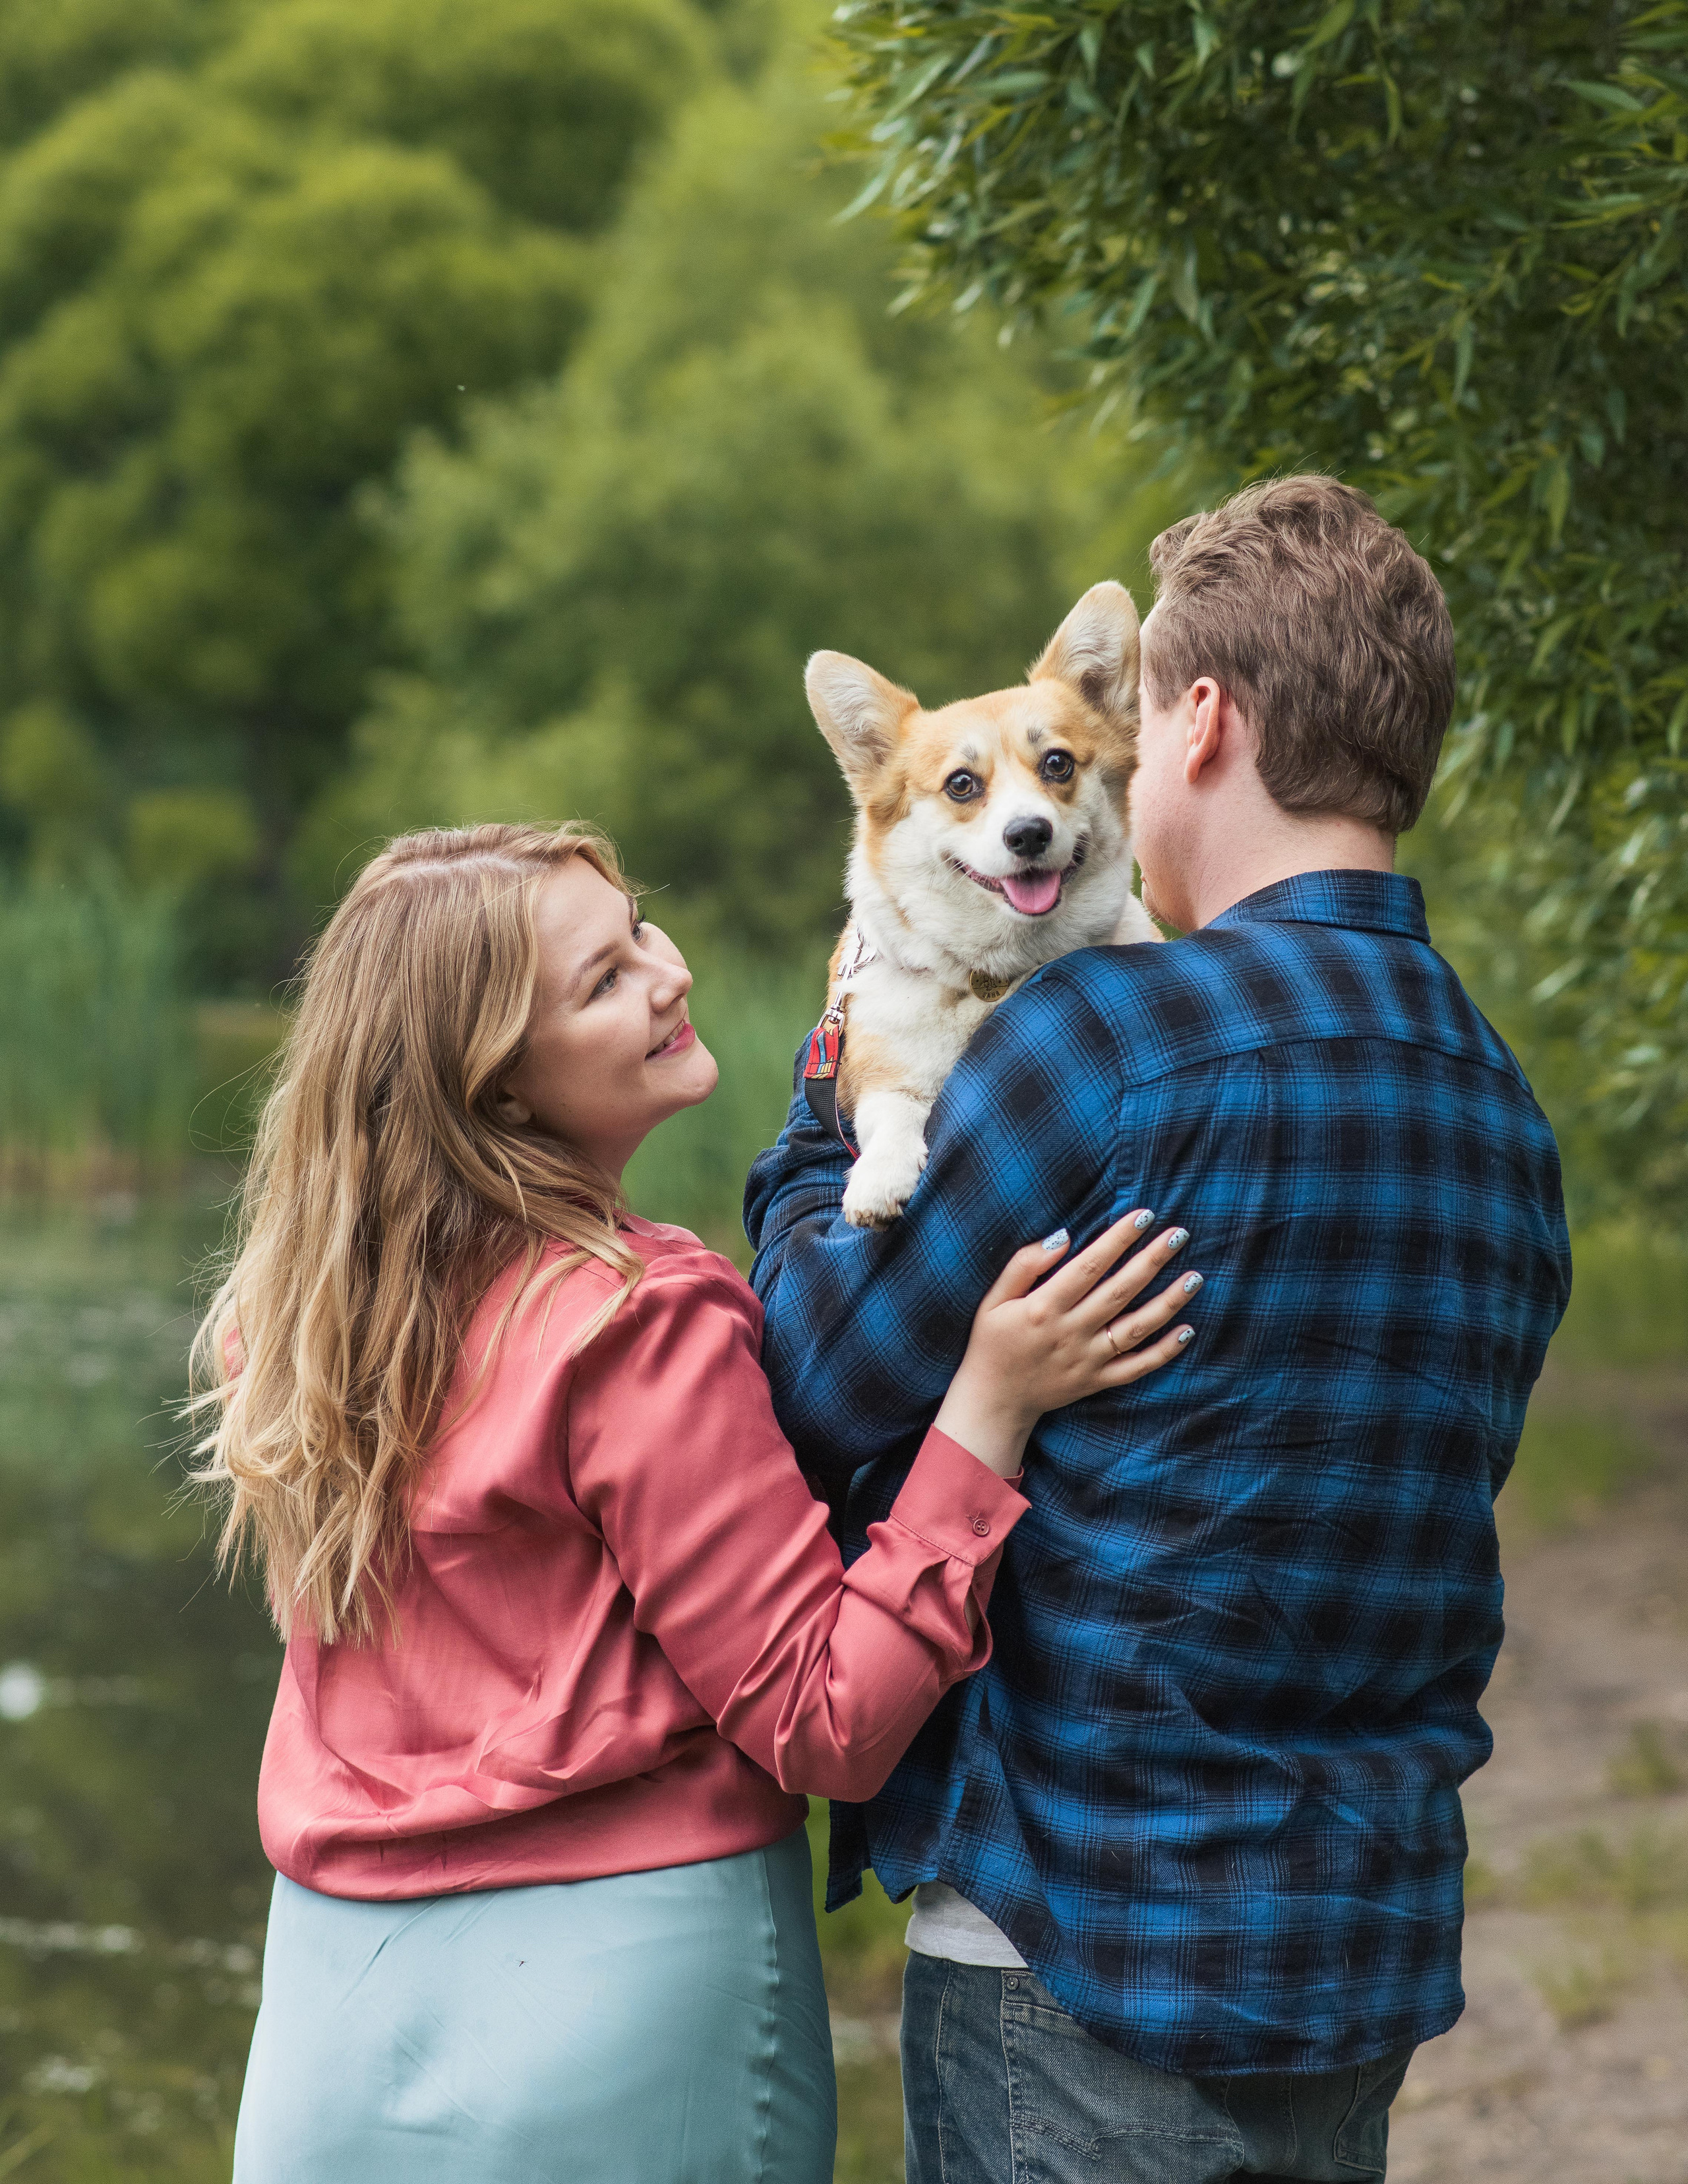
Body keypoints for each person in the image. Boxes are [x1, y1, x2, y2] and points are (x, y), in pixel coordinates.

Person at [746, 475, 1574, 2184]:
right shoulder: (1503, 1109)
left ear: (1196, 719)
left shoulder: (1109, 1039)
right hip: (1358, 1950)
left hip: (1078, 1955)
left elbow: (815, 1381)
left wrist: (831, 1090)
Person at [191, 820, 1197, 2184]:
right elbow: (821, 1719)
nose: (667, 974)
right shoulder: (629, 1324)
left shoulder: (295, 1327)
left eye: (638, 932)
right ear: (498, 1088)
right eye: (603, 981)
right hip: (616, 1999)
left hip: (330, 2013)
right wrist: (989, 1406)